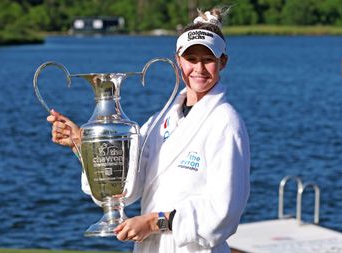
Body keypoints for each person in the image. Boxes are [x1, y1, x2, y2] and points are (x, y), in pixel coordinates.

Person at [47, 6, 250, 253]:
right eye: (191, 59)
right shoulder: (160, 121)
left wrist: (155, 222)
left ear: (223, 62)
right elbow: (127, 185)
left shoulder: (226, 123)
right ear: (177, 61)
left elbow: (224, 211)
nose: (199, 68)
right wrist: (84, 145)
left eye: (208, 59)